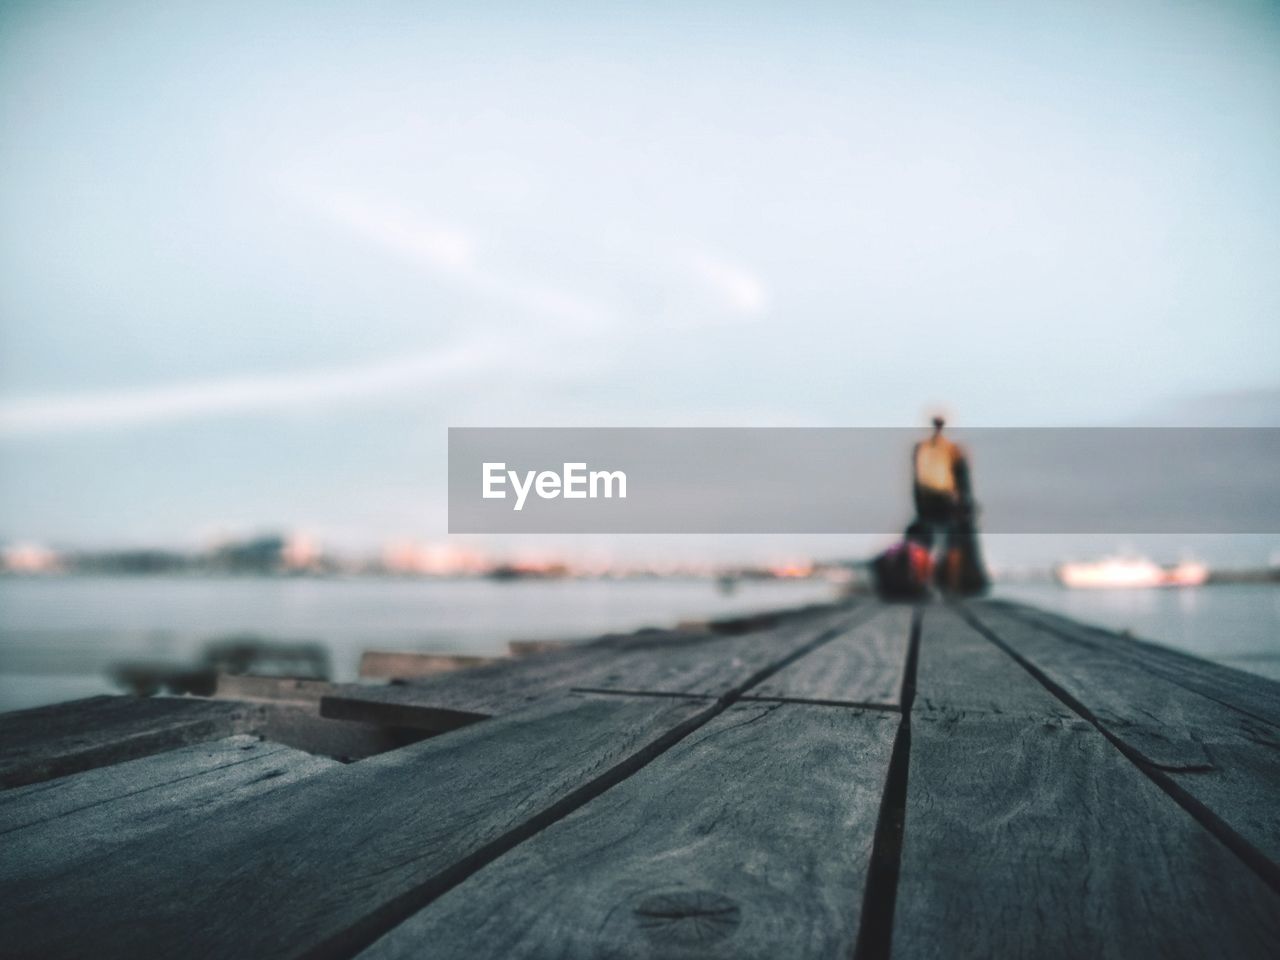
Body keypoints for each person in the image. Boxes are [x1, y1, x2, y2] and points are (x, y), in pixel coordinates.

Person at [910, 416, 989, 595]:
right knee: (950, 542)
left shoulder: (921, 448)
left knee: (927, 542)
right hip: (944, 499)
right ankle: (950, 586)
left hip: (927, 500)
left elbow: (917, 479)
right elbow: (961, 478)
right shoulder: (952, 449)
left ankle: (926, 586)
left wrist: (918, 502)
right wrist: (964, 501)